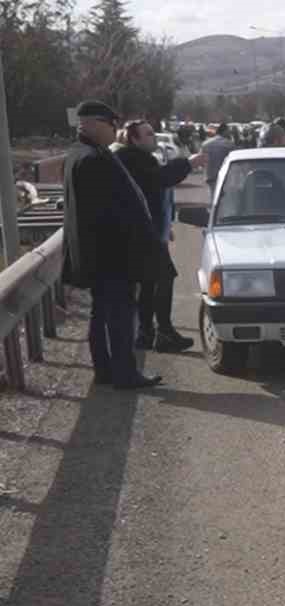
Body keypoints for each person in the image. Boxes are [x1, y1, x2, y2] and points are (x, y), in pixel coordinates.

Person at [61, 100, 163, 389]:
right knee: (118, 316)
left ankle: (106, 370)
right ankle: (123, 373)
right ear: (92, 124)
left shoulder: (81, 154)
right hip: (111, 256)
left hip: (102, 255)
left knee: (103, 313)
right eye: (110, 124)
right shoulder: (91, 159)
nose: (114, 130)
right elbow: (106, 215)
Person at [117, 119, 203, 352]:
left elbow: (156, 194)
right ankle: (163, 332)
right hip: (142, 234)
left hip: (149, 230)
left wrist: (166, 225)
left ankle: (147, 333)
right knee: (163, 276)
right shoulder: (133, 160)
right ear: (134, 139)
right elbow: (160, 180)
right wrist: (188, 163)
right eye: (149, 134)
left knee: (149, 282)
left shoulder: (136, 159)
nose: (154, 137)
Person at [202, 124, 233, 192]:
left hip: (210, 175)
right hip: (225, 175)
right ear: (224, 131)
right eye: (228, 131)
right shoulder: (229, 144)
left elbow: (202, 159)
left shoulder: (206, 144)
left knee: (213, 196)